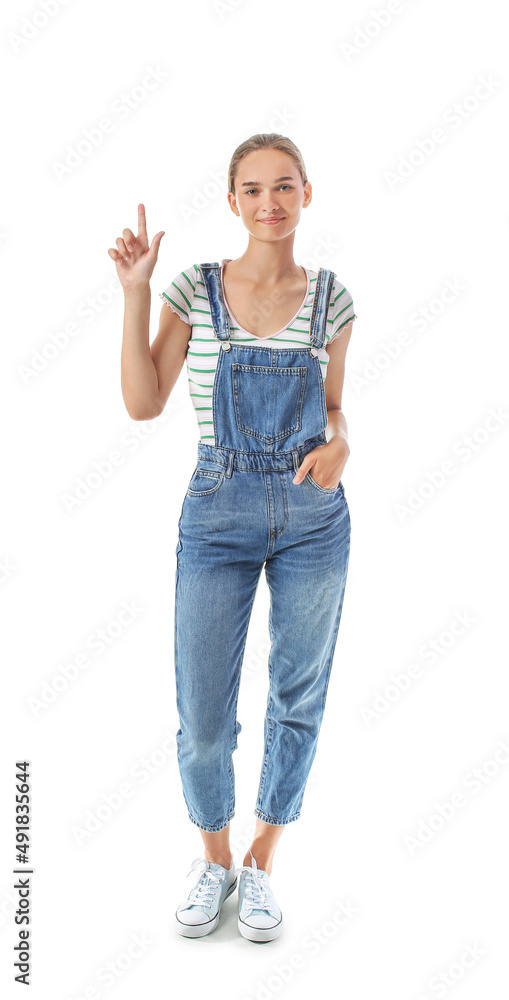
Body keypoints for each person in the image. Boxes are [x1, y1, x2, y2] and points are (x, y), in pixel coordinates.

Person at [108, 133, 356, 943]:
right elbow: (144, 404)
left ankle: (261, 863)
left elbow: (334, 409)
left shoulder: (331, 300)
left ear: (306, 194)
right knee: (204, 711)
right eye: (252, 190)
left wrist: (342, 441)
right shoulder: (193, 288)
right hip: (215, 512)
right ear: (232, 202)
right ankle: (212, 857)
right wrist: (135, 293)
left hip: (312, 515)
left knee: (296, 698)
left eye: (284, 187)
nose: (269, 203)